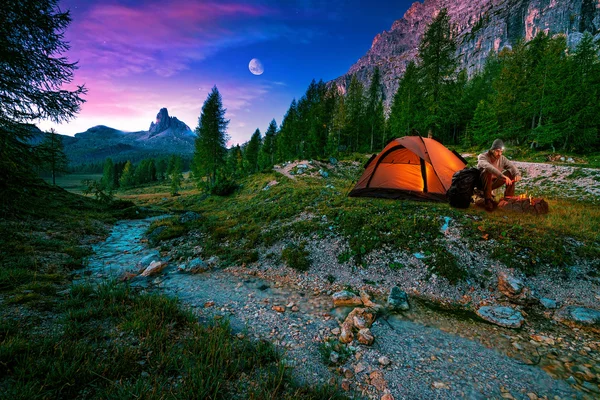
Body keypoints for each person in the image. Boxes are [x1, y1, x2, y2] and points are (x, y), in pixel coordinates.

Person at [477, 139, 521, 212]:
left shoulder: (502, 158)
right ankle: (488, 200)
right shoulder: (482, 156)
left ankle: (508, 198)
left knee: (510, 172)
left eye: (501, 151)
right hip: (482, 183)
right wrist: (501, 175)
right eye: (497, 151)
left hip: (494, 183)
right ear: (492, 150)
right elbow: (488, 166)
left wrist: (517, 174)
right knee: (487, 171)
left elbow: (512, 166)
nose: (499, 154)